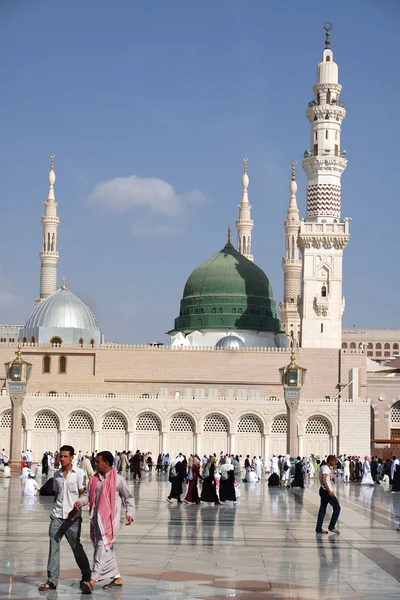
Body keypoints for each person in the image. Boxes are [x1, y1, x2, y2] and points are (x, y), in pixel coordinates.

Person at [73, 450, 135, 592]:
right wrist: (79, 502)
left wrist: (130, 513)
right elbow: (88, 495)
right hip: (97, 520)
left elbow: (128, 497)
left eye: (98, 462)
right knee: (105, 548)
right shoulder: (94, 480)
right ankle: (117, 577)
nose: (95, 464)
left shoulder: (118, 479)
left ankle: (92, 581)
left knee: (102, 547)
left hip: (110, 521)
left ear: (106, 463)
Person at [38, 445, 91, 592]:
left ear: (72, 457)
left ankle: (86, 573)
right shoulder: (57, 474)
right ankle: (52, 580)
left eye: (65, 456)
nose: (62, 459)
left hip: (73, 518)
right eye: (60, 456)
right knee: (53, 546)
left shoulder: (79, 474)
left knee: (76, 546)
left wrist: (76, 509)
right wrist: (54, 510)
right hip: (57, 516)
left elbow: (83, 494)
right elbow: (56, 494)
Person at [316, 455, 340, 535]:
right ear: (331, 461)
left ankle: (318, 528)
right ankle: (331, 526)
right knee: (337, 507)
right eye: (334, 461)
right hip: (326, 491)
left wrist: (331, 478)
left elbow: (325, 477)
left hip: (322, 490)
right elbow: (323, 479)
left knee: (322, 509)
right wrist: (329, 491)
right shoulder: (326, 468)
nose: (335, 463)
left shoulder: (324, 467)